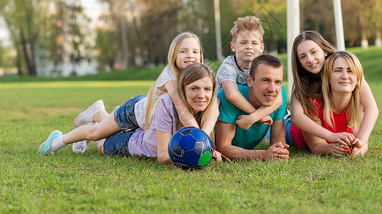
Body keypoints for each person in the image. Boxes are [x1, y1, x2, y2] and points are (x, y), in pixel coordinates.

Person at [38, 32, 218, 155]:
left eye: (195, 51)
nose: (190, 55)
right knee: (96, 133)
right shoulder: (170, 75)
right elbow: (182, 111)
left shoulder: (200, 79)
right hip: (134, 112)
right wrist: (201, 143)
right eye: (183, 51)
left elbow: (214, 110)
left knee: (105, 132)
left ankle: (99, 113)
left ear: (201, 56)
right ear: (173, 56)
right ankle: (58, 140)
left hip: (150, 123)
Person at [39, 64, 222, 163]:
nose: (201, 95)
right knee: (98, 138)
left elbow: (201, 138)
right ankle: (59, 140)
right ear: (182, 90)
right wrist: (191, 159)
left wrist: (209, 153)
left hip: (144, 126)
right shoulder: (168, 103)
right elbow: (162, 155)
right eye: (194, 88)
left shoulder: (210, 106)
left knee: (104, 128)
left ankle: (99, 115)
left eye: (207, 89)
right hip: (133, 135)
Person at [289, 31, 378, 154]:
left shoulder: (344, 67)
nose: (310, 59)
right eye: (303, 57)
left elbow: (372, 107)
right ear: (299, 62)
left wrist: (361, 141)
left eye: (314, 52)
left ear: (324, 51)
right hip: (305, 127)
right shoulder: (304, 85)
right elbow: (296, 117)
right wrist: (330, 136)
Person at [215, 55, 289, 161]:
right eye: (265, 80)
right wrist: (263, 155)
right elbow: (223, 148)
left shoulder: (280, 94)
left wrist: (279, 152)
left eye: (277, 82)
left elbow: (278, 142)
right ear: (250, 81)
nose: (272, 89)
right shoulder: (228, 98)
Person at [216, 15, 282, 130]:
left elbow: (279, 99)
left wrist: (253, 117)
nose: (249, 47)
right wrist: (257, 116)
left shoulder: (263, 64)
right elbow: (231, 95)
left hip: (250, 114)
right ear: (233, 46)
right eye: (243, 43)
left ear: (261, 47)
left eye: (254, 43)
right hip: (226, 114)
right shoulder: (228, 65)